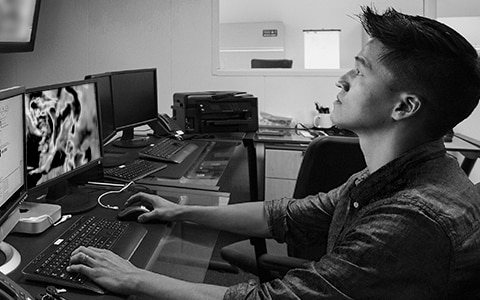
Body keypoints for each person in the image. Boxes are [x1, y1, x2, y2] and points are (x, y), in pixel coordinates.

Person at [68, 6, 480, 299]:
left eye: (360, 70)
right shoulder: (386, 178)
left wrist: (134, 279)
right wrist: (178, 211)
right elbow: (284, 216)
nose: (342, 78)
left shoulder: (413, 220)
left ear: (404, 107)